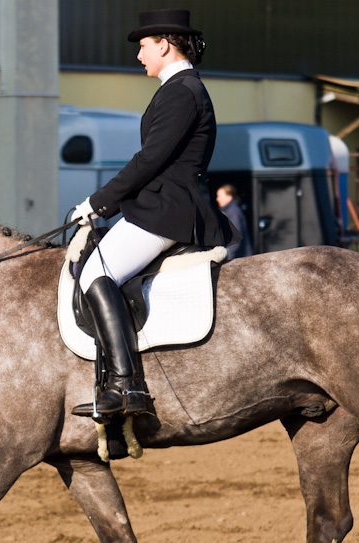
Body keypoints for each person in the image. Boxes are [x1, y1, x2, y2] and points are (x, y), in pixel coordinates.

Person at [69, 8, 238, 421]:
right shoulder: (180, 89)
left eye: (144, 46)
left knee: (95, 274)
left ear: (164, 43)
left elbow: (150, 160)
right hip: (163, 204)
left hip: (169, 209)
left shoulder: (181, 91)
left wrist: (97, 202)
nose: (140, 55)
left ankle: (126, 386)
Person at [216, 184, 253, 259]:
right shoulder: (227, 211)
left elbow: (236, 237)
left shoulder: (233, 212)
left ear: (229, 197)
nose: (217, 199)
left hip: (239, 257)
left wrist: (227, 256)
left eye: (220, 196)